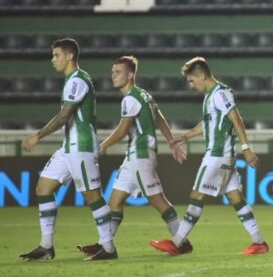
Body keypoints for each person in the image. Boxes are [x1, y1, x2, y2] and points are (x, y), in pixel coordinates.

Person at [150, 57, 269, 256]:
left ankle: (177, 243)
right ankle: (259, 243)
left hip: (217, 155)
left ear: (202, 76)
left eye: (191, 81)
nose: (191, 85)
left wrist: (246, 147)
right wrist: (185, 136)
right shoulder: (210, 96)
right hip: (225, 157)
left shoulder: (220, 93)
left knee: (197, 195)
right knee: (235, 197)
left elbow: (236, 118)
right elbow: (207, 125)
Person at [76, 56, 191, 257]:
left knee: (158, 201)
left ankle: (182, 241)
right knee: (115, 201)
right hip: (134, 157)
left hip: (140, 156)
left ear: (130, 74)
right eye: (112, 72)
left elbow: (122, 130)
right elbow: (160, 117)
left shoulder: (130, 98)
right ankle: (106, 245)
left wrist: (101, 146)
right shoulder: (143, 95)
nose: (113, 75)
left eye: (118, 72)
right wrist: (171, 141)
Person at [20, 38, 117, 261]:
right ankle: (46, 246)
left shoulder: (78, 80)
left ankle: (109, 248)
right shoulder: (71, 80)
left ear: (70, 56)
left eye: (56, 55)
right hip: (69, 146)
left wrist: (37, 135)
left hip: (81, 146)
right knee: (43, 188)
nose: (53, 59)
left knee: (92, 195)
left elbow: (65, 116)